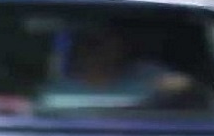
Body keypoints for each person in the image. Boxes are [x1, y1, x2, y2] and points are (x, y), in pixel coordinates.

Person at [40, 27, 203, 110]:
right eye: (92, 44)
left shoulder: (147, 76)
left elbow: (185, 85)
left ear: (121, 48)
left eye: (107, 43)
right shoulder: (57, 90)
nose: (99, 52)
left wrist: (181, 85)